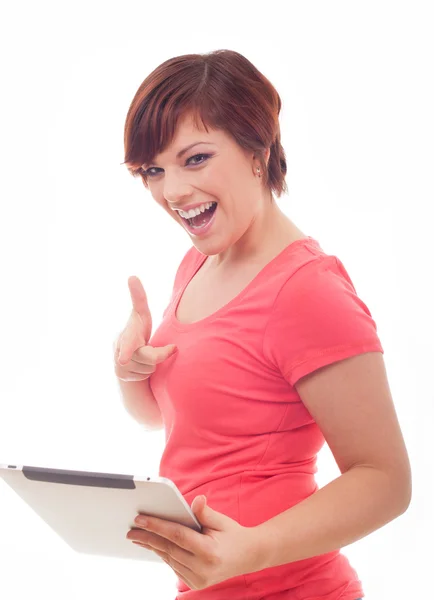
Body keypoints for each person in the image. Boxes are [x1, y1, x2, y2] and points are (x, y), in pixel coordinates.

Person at [114, 49, 411, 600]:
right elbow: (172, 420)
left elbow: (386, 481)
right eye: (153, 170)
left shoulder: (308, 289)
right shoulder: (201, 261)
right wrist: (131, 369)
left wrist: (249, 550)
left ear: (258, 148)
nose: (171, 191)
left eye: (195, 158)